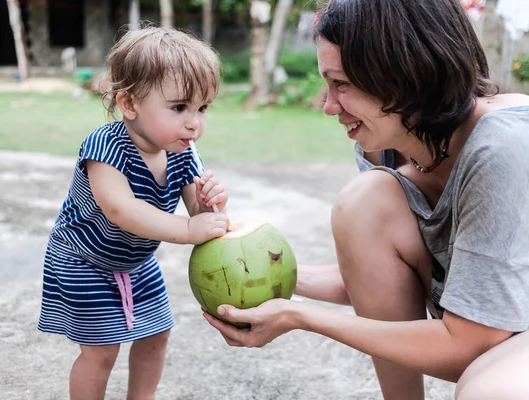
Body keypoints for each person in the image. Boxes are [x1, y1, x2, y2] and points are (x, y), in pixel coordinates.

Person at [203, 0, 529, 399]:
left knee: (490, 392)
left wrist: (300, 316)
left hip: (500, 331)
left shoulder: (503, 146)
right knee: (365, 199)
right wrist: (251, 269)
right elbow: (378, 281)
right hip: (496, 324)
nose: (328, 106)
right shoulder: (391, 148)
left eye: (341, 84)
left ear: (406, 72)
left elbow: (470, 341)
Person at [38, 27, 230, 400]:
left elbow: (198, 211)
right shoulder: (105, 146)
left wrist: (212, 204)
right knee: (101, 351)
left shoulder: (183, 151)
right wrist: (190, 228)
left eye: (202, 108)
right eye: (179, 107)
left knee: (157, 332)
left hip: (136, 261)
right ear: (129, 104)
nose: (194, 122)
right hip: (83, 261)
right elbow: (120, 210)